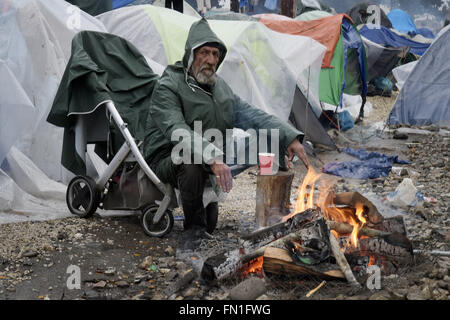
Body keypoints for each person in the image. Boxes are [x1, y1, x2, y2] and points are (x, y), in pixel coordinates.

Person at [143, 18, 309, 249]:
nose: (211, 60)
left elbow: (251, 115)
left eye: (215, 54)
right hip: (167, 156)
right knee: (189, 157)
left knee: (268, 142)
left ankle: (274, 219)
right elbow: (177, 130)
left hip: (211, 152)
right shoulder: (169, 85)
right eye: (204, 53)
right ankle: (193, 232)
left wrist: (289, 136)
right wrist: (212, 157)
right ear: (191, 54)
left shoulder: (219, 87)